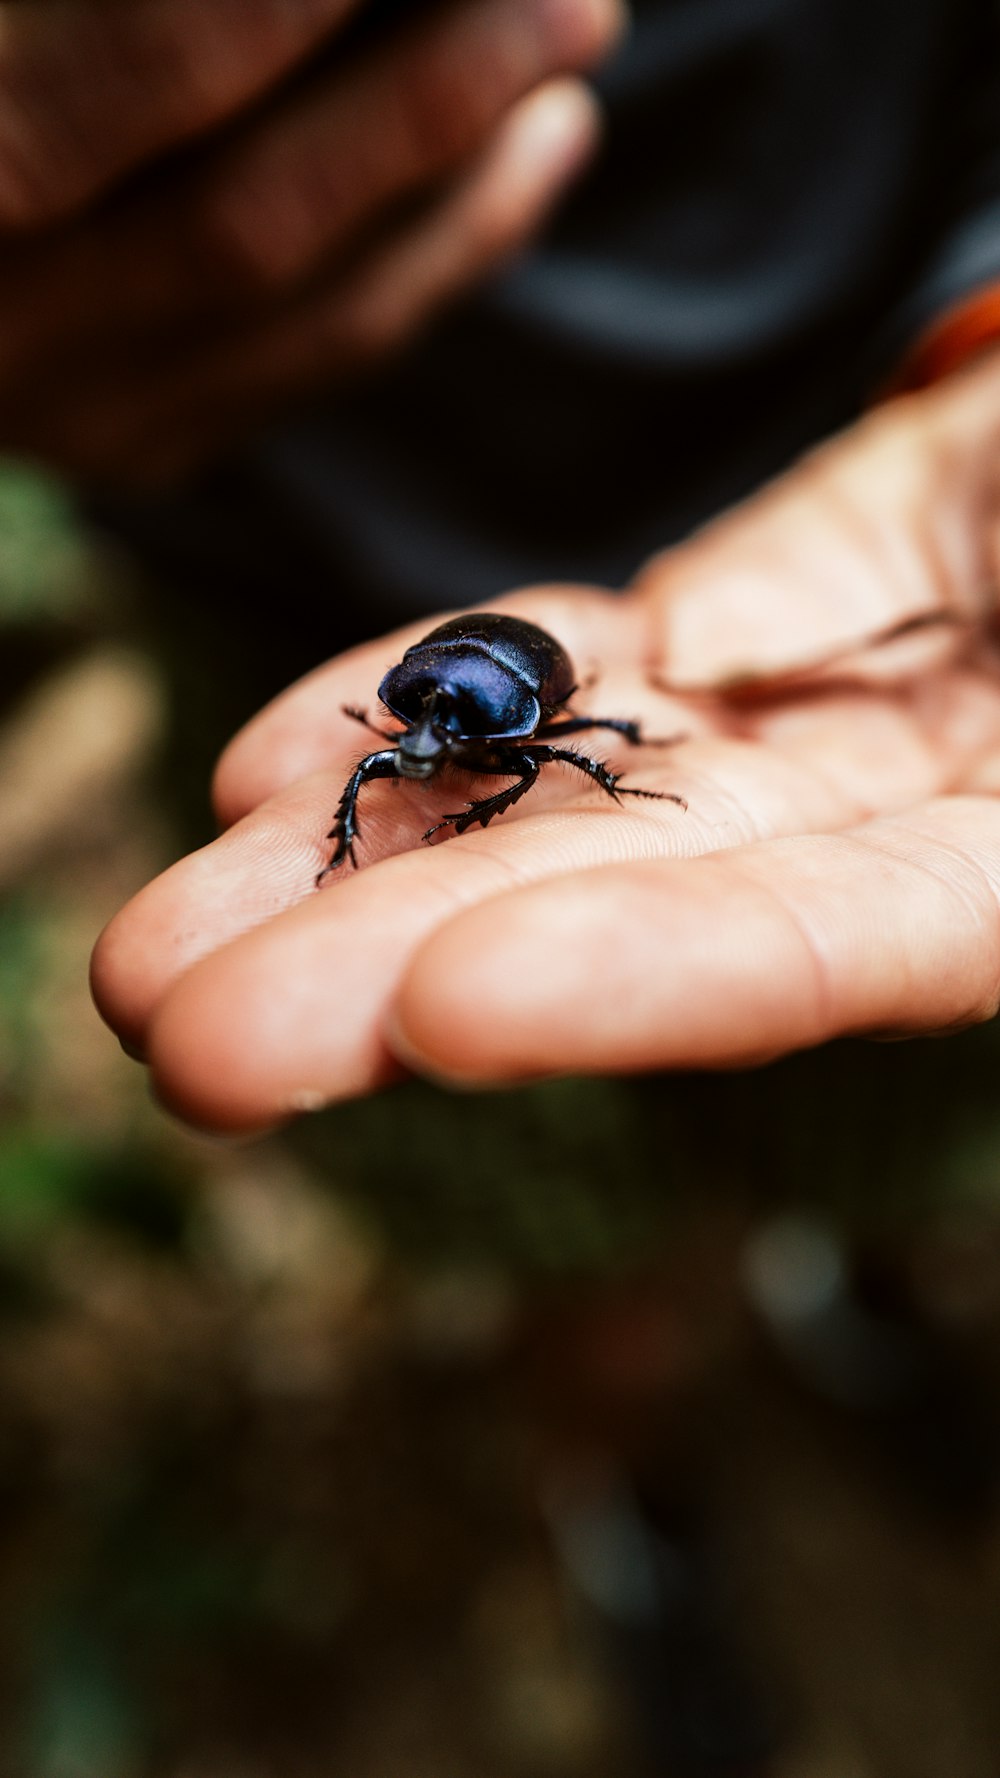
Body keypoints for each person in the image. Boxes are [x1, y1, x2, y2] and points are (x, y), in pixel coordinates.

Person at [5, 0, 999, 1132]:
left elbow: (534, 762)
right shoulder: (404, 718)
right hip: (266, 546)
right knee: (444, 1036)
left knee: (766, 991)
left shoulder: (513, 733)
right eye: (420, 739)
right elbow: (393, 751)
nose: (418, 753)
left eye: (427, 741)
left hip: (828, 399)